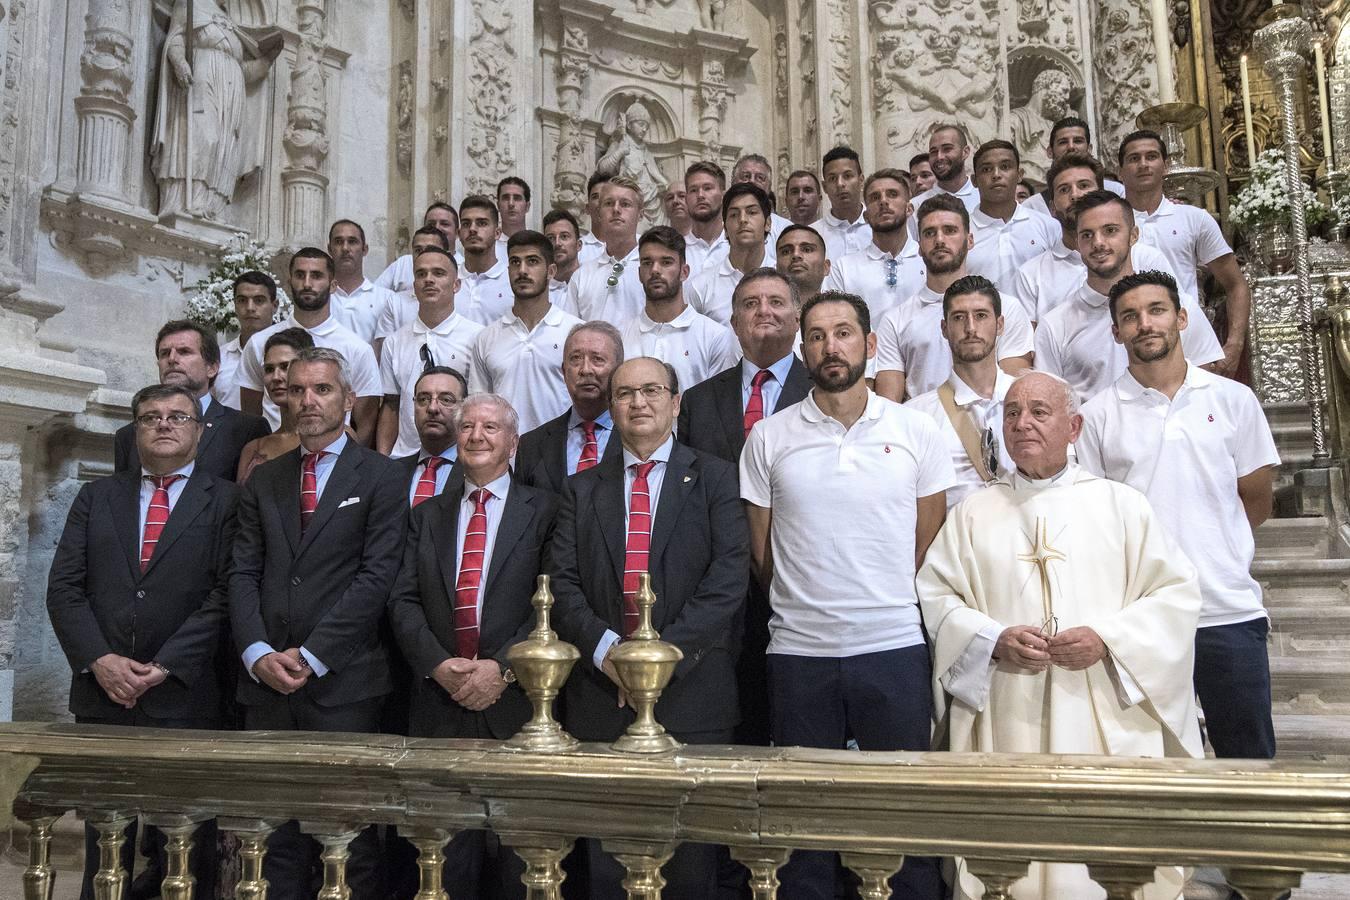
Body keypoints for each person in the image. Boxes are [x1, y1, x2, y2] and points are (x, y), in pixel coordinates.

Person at [916, 370, 1204, 899]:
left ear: (1074, 426)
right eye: (1011, 413)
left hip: (1101, 717)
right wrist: (991, 639)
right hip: (1007, 715)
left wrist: (1108, 639)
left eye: (1039, 412)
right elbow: (938, 598)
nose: (1022, 423)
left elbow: (1176, 597)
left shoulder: (1122, 506)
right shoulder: (973, 514)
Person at [740, 290, 951, 900]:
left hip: (892, 646)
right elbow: (763, 554)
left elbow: (927, 538)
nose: (831, 346)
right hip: (799, 653)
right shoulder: (770, 437)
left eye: (844, 333)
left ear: (869, 343)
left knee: (901, 813)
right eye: (818, 336)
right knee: (805, 822)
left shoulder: (915, 430)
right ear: (803, 349)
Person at [550, 356, 748, 899]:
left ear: (676, 402)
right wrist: (611, 654)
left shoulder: (715, 475)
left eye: (651, 391)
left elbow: (729, 579)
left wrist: (657, 661)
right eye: (625, 394)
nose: (638, 403)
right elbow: (562, 585)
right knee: (609, 865)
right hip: (601, 695)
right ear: (610, 407)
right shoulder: (581, 488)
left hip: (693, 693)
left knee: (690, 868)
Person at [1077, 270, 1280, 760]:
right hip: (1140, 619)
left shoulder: (1232, 400)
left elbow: (1255, 497)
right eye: (1130, 316)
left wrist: (1215, 545)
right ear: (1116, 331)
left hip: (1225, 609)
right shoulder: (1098, 414)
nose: (1145, 324)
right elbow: (1093, 517)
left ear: (1181, 318)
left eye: (1157, 310)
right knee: (1154, 759)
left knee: (1247, 760)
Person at [229, 347, 406, 900]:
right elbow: (241, 573)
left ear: (349, 400)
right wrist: (257, 651)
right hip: (266, 685)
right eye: (298, 390)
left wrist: (312, 654)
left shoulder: (382, 476)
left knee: (345, 841)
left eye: (322, 390)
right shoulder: (265, 478)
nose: (307, 400)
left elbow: (376, 579)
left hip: (344, 682)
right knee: (274, 839)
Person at [49, 383, 238, 900]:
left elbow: (226, 594)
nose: (163, 424)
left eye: (178, 416)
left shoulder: (225, 501)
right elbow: (64, 588)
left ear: (199, 431)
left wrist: (165, 665)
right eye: (150, 416)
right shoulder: (97, 496)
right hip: (102, 694)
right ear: (135, 430)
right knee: (105, 840)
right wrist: (99, 659)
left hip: (184, 695)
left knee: (185, 842)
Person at [388, 392, 558, 899]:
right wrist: (439, 665)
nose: (477, 436)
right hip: (440, 703)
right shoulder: (427, 514)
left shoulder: (546, 510)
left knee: (518, 860)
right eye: (467, 428)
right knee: (443, 861)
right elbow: (402, 600)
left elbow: (555, 601)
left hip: (520, 705)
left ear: (513, 441)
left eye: (490, 427)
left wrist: (502, 669)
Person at [678, 267, 810, 748]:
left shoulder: (826, 389)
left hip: (805, 571)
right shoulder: (698, 400)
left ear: (796, 318)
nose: (763, 312)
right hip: (725, 582)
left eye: (776, 302)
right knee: (743, 714)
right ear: (733, 322)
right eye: (750, 304)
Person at [1034, 191, 1222, 402]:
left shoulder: (1175, 305)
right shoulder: (1055, 325)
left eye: (1110, 231)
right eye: (1087, 235)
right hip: (1095, 432)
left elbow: (1206, 380)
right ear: (1077, 243)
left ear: (1134, 235)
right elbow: (1049, 402)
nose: (1098, 243)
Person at [874, 194, 1035, 402]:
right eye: (930, 233)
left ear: (969, 240)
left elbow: (1015, 394)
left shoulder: (1007, 308)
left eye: (950, 231)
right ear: (919, 246)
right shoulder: (895, 320)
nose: (939, 240)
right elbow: (890, 407)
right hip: (923, 426)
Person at [1120, 129, 1251, 377]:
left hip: (1187, 344)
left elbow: (1236, 285)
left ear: (1166, 166)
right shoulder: (1110, 226)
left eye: (1151, 156)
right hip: (1128, 345)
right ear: (1120, 171)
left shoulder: (1194, 219)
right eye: (1134, 158)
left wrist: (1233, 346)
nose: (1143, 164)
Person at [238, 248, 383, 442]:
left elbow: (366, 424)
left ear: (333, 285)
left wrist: (347, 467)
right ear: (290, 283)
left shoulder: (357, 348)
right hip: (273, 454)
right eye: (300, 275)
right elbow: (250, 417)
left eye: (316, 276)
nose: (307, 284)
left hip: (334, 457)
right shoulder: (258, 343)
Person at [1015, 153, 1177, 323]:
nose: (1075, 195)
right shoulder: (1031, 274)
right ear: (1052, 207)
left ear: (1101, 193)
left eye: (1084, 185)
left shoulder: (1148, 259)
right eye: (1064, 189)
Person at [905, 275, 1016, 507]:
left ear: (1000, 324)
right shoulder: (915, 416)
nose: (971, 328)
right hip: (952, 539)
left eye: (981, 315)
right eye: (959, 318)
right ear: (944, 328)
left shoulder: (1032, 402)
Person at [115, 320, 270, 481]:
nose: (172, 359)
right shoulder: (129, 435)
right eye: (164, 353)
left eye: (184, 352)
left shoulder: (246, 429)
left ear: (212, 368)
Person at [470, 231, 584, 433]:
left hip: (561, 455)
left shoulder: (574, 333)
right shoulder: (486, 338)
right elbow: (479, 407)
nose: (522, 270)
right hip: (504, 457)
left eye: (532, 261)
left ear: (550, 271)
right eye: (515, 262)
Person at [377, 246, 483, 457]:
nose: (428, 279)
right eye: (421, 274)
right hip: (404, 458)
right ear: (414, 286)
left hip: (460, 457)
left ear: (456, 285)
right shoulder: (394, 342)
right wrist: (383, 460)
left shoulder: (477, 337)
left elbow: (480, 404)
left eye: (438, 273)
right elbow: (390, 407)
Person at [514, 321, 625, 495]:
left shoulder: (637, 437)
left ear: (619, 371)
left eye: (597, 359)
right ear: (564, 372)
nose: (585, 369)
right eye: (576, 359)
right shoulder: (532, 445)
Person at [622, 226, 737, 393]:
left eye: (666, 262)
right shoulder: (622, 336)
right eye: (647, 263)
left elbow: (719, 404)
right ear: (640, 273)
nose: (655, 270)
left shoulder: (714, 337)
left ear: (684, 272)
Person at [822, 168, 926, 323]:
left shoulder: (929, 261)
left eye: (892, 194)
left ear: (909, 209)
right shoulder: (844, 268)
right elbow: (833, 321)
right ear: (866, 216)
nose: (883, 201)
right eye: (875, 197)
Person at [966, 140, 1059, 297]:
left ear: (1019, 175)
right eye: (987, 169)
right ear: (974, 181)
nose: (996, 175)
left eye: (1005, 167)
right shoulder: (962, 231)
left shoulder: (1048, 226)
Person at [685, 182, 777, 325]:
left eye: (752, 212)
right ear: (725, 228)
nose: (742, 219)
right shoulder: (700, 287)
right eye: (734, 215)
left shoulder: (784, 277)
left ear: (768, 223)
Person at [563, 176, 646, 327]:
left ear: (640, 213)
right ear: (599, 212)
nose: (616, 209)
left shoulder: (653, 270)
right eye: (609, 203)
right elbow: (570, 332)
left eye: (625, 204)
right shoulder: (582, 276)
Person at [237, 327, 313, 482]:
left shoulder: (337, 435)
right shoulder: (254, 449)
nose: (276, 377)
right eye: (269, 369)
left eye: (285, 367)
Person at [1022, 116, 1127, 218]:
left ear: (1089, 148)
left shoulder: (1116, 192)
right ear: (1050, 152)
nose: (1071, 147)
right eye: (1063, 142)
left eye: (1078, 141)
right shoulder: (1032, 207)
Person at [393, 365, 467, 504]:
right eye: (423, 399)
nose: (432, 408)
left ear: (464, 409)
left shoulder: (476, 473)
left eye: (446, 399)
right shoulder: (392, 472)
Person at [373, 225, 453, 348]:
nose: (424, 255)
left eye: (431, 249)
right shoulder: (395, 303)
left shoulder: (460, 297)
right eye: (418, 250)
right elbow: (384, 351)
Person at [214, 270, 279, 410]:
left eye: (259, 300)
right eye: (242, 300)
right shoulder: (219, 357)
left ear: (275, 306)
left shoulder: (288, 352)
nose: (250, 308)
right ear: (235, 305)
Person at [328, 219, 401, 344]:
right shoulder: (320, 298)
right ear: (329, 249)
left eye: (352, 242)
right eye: (339, 242)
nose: (345, 248)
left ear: (365, 249)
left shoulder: (387, 299)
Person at [374, 202, 463, 297]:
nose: (437, 227)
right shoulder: (404, 263)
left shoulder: (463, 269)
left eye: (444, 224)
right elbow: (375, 297)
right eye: (431, 224)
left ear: (457, 233)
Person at [910, 124, 980, 236]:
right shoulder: (915, 205)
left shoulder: (984, 198)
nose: (939, 157)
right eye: (933, 152)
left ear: (965, 152)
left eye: (947, 149)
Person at [457, 195, 513, 325]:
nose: (472, 229)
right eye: (466, 224)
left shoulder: (512, 281)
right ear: (459, 234)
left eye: (481, 223)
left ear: (497, 233)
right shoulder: (448, 281)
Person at [811, 145, 871, 260]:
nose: (840, 184)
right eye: (832, 178)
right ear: (824, 187)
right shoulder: (813, 234)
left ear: (861, 180)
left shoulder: (880, 227)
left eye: (847, 176)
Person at [732, 152, 793, 241]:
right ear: (733, 183)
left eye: (760, 178)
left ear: (769, 187)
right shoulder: (717, 227)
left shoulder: (785, 229)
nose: (752, 181)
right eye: (746, 176)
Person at [684, 160, 730, 274]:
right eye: (693, 190)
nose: (700, 195)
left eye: (707, 188)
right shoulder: (676, 250)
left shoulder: (738, 245)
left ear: (723, 195)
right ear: (686, 199)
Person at [775, 224, 832, 298]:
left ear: (825, 267)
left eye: (807, 250)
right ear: (776, 268)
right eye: (786, 251)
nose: (796, 255)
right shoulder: (762, 309)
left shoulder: (843, 309)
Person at [543, 208, 584, 303]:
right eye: (551, 238)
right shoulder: (539, 291)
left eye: (564, 236)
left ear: (578, 245)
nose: (557, 243)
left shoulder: (593, 281)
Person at [577, 171, 612, 265]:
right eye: (595, 197)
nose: (601, 202)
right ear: (587, 208)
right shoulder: (578, 249)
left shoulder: (638, 246)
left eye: (606, 196)